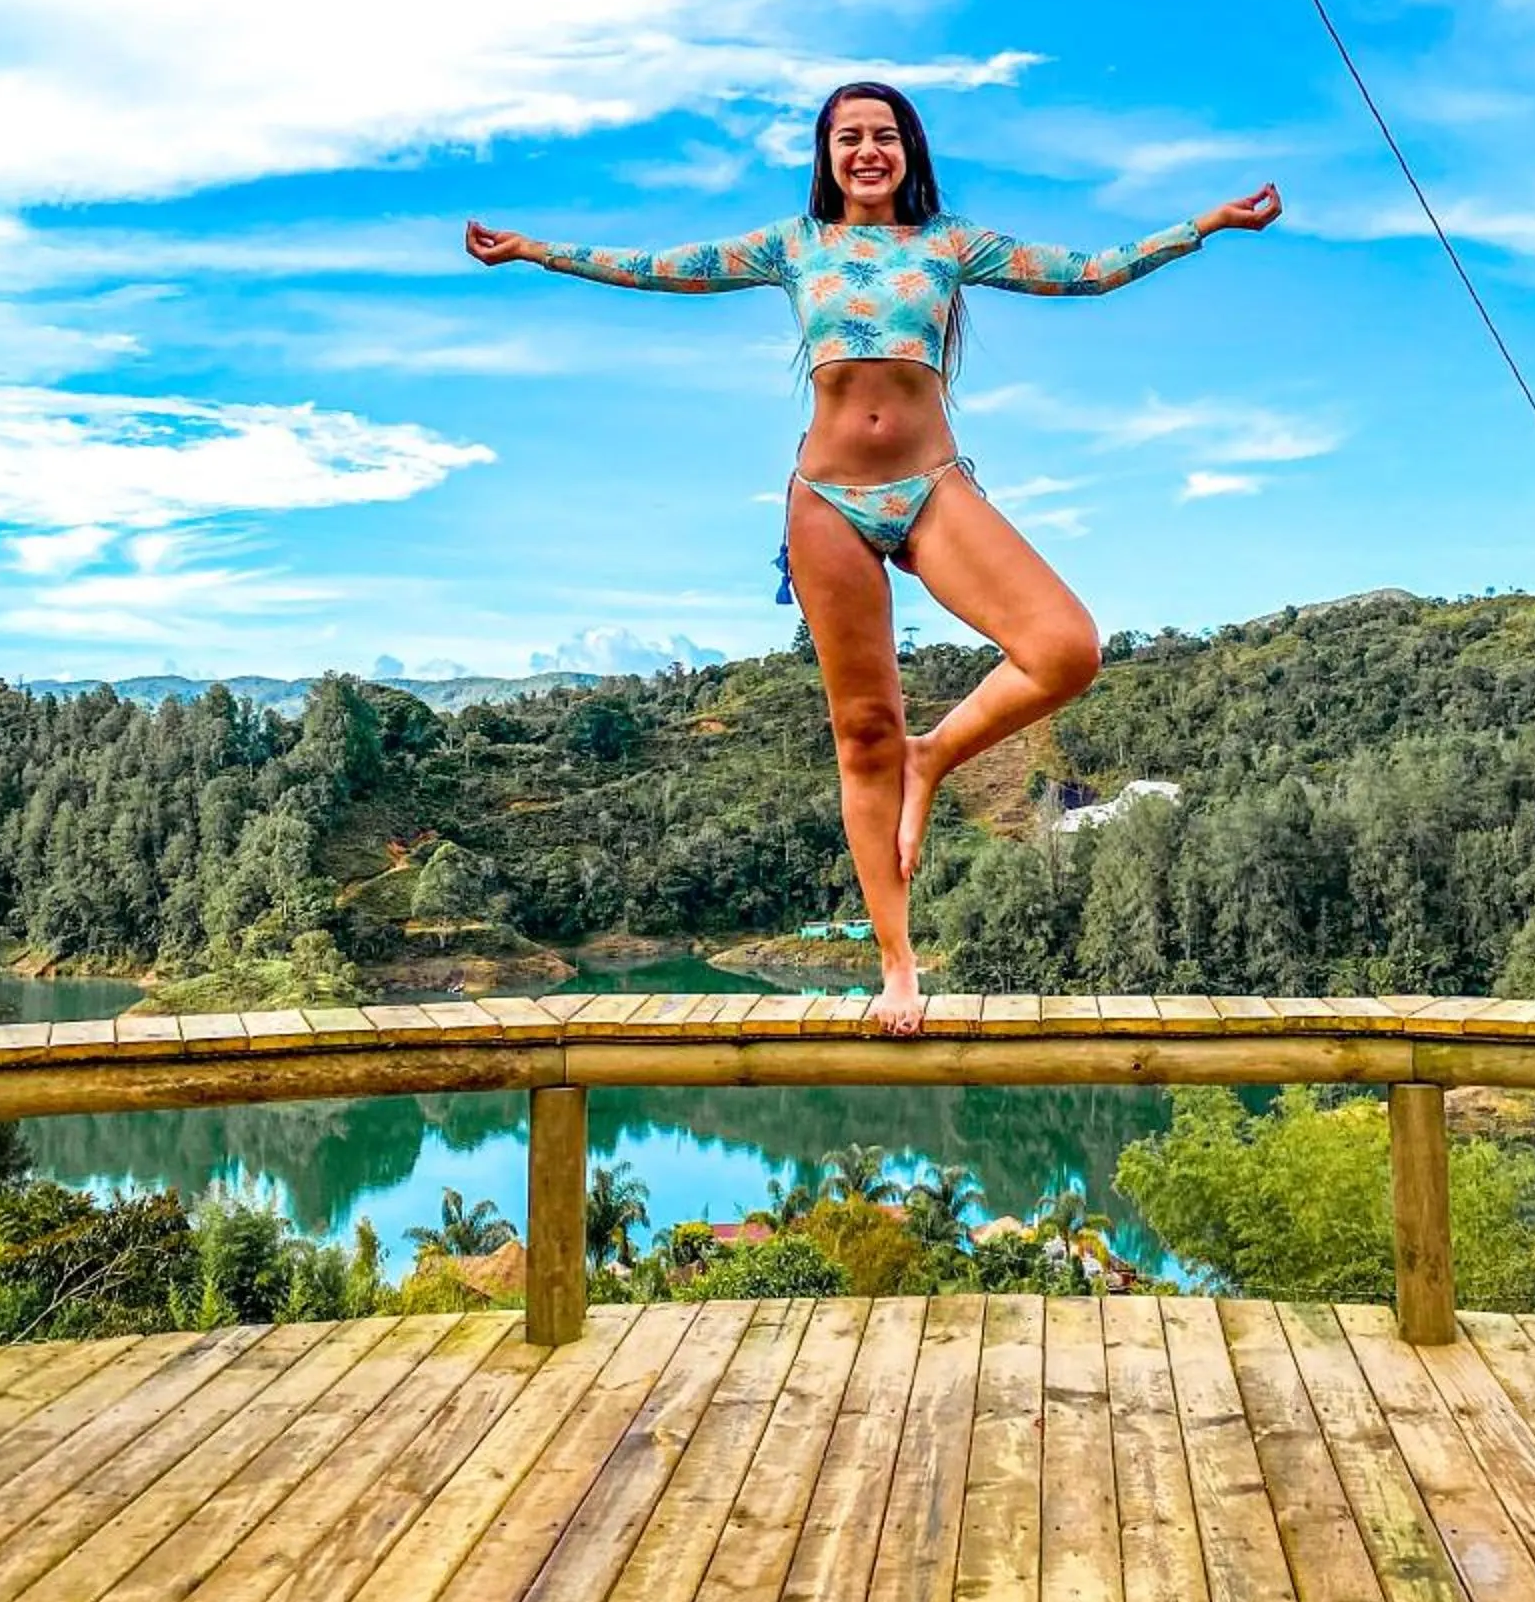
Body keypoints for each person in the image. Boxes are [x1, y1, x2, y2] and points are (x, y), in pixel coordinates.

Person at [466, 81, 1280, 1034]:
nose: (866, 151)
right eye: (848, 137)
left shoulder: (950, 244)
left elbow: (1088, 271)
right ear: (828, 154)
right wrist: (534, 251)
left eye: (882, 136)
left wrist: (1206, 225)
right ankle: (899, 965)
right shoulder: (792, 245)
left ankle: (932, 759)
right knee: (861, 734)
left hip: (933, 485)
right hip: (826, 502)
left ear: (907, 151)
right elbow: (658, 266)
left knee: (1065, 648)